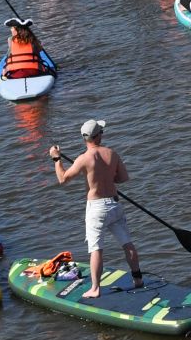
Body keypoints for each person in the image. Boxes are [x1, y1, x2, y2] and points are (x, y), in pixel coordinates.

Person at [49, 120, 142, 299]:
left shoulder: (83, 159)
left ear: (85, 138)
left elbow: (62, 179)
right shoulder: (112, 153)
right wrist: (106, 177)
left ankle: (95, 289)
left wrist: (56, 158)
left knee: (96, 249)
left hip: (96, 208)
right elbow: (123, 178)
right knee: (127, 243)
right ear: (98, 135)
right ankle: (137, 279)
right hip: (115, 204)